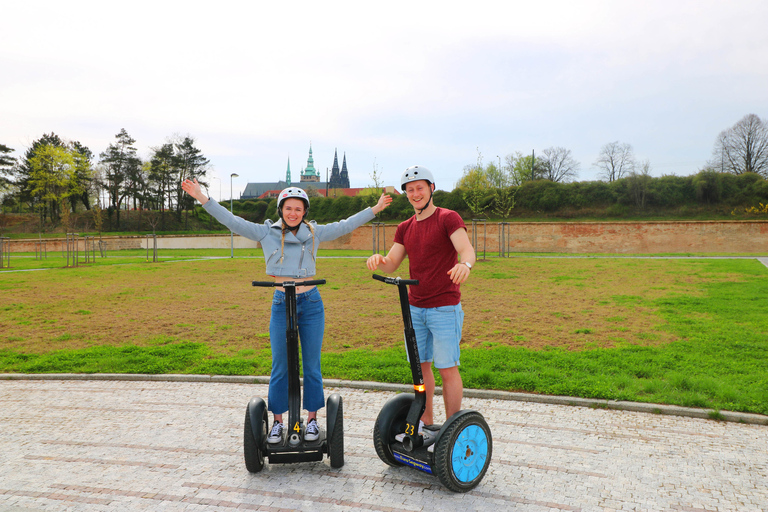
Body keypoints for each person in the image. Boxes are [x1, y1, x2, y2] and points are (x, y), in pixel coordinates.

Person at [182, 179, 391, 444]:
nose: (293, 213)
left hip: (311, 305)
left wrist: (374, 208)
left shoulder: (315, 232)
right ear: (281, 209)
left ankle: (312, 420)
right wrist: (202, 197)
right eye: (289, 208)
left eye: (298, 209)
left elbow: (344, 226)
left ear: (305, 211)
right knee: (280, 366)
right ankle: (278, 423)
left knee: (312, 366)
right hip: (281, 303)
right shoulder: (266, 233)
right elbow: (233, 221)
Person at [366, 165, 475, 438]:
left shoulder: (448, 218)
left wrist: (466, 265)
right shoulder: (405, 228)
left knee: (447, 367)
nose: (415, 194)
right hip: (415, 307)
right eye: (410, 190)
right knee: (421, 365)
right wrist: (379, 260)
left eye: (420, 188)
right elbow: (392, 263)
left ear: (431, 189)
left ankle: (452, 431)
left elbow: (466, 249)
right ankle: (426, 423)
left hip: (444, 306)